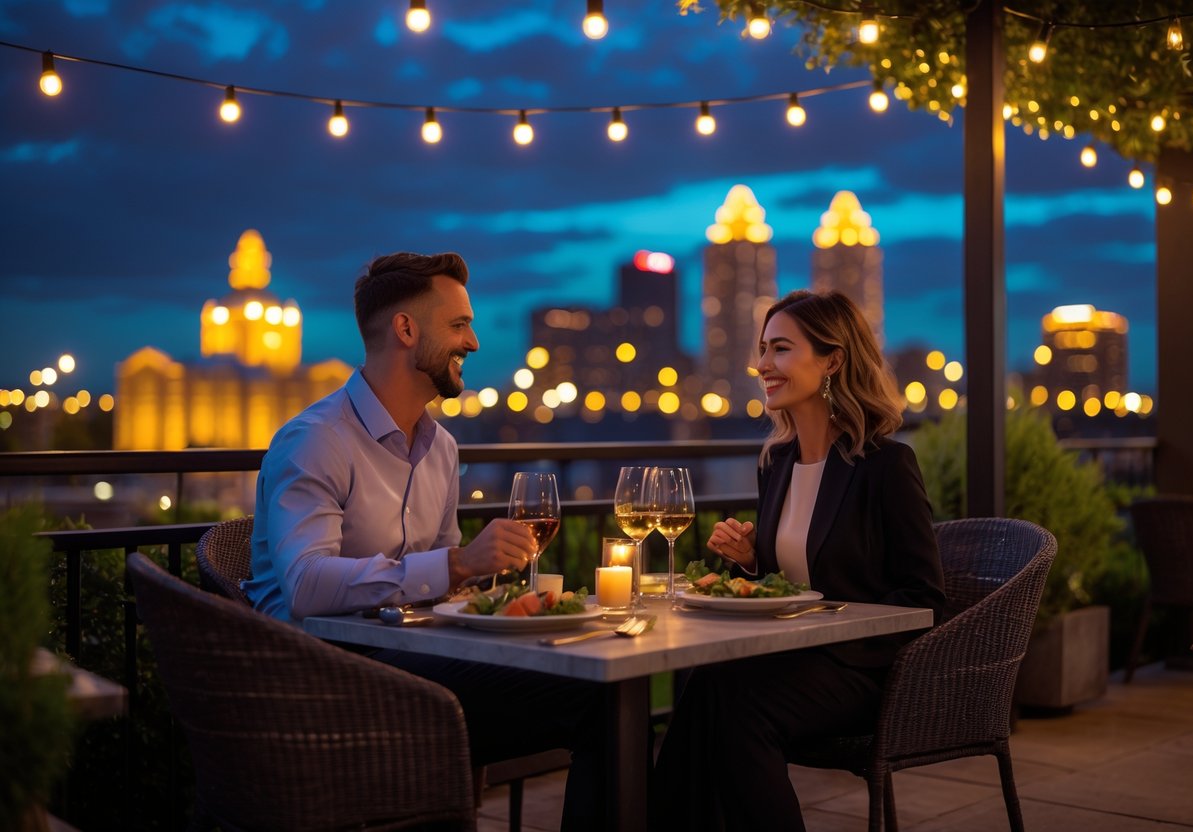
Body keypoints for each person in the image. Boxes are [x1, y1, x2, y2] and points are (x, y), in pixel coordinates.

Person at [245, 251, 606, 831]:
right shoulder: (316, 441)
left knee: (601, 689)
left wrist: (494, 595)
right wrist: (460, 563)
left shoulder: (441, 448)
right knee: (596, 702)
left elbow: (442, 586)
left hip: (410, 669)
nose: (476, 343)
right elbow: (307, 585)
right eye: (460, 325)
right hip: (324, 684)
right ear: (406, 330)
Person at [652, 290, 946, 832]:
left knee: (738, 706)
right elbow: (793, 582)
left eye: (780, 349)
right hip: (795, 660)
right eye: (763, 349)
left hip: (866, 670)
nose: (762, 364)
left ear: (832, 359)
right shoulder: (777, 464)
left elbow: (925, 597)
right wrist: (748, 566)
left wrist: (834, 630)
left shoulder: (886, 464)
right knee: (705, 683)